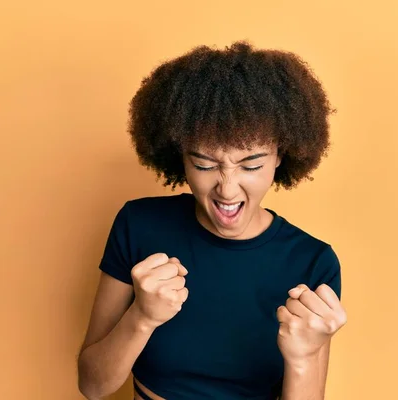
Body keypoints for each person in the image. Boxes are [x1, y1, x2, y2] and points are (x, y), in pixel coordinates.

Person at [77, 40, 347, 400]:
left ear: (280, 156)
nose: (228, 189)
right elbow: (92, 387)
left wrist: (304, 359)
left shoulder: (312, 262)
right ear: (181, 157)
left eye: (250, 165)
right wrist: (141, 317)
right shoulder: (138, 224)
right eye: (205, 164)